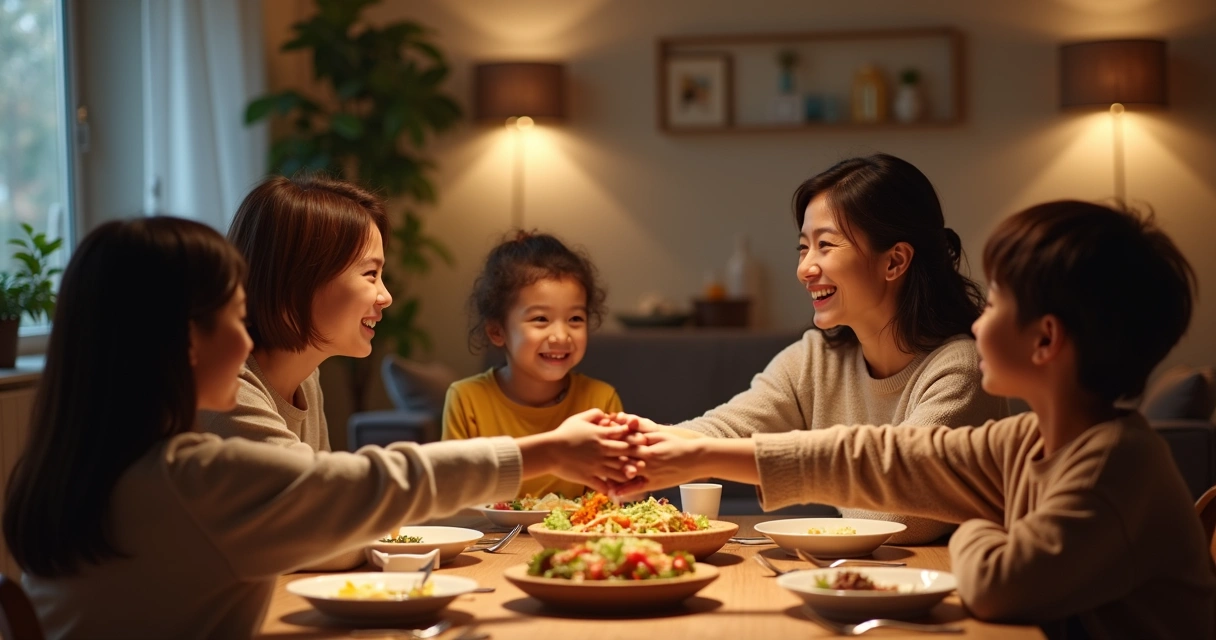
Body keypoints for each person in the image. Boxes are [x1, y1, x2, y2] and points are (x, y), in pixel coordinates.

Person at [1, 217, 637, 639]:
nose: (250, 339)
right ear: (186, 340)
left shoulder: (107, 459)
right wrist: (542, 451)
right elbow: (352, 486)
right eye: (238, 317)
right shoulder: (188, 474)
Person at [625, 201, 1215, 638]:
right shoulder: (1031, 439)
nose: (980, 320)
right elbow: (883, 455)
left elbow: (999, 585)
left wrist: (985, 524)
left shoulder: (1115, 463)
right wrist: (692, 454)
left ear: (1046, 340)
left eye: (999, 301)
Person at [651, 154, 1007, 543]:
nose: (805, 268)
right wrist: (632, 444)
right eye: (804, 248)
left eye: (825, 245)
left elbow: (897, 514)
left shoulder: (961, 369)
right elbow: (720, 430)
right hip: (850, 578)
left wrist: (771, 464)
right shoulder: (818, 357)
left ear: (895, 261)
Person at [198, 174, 392, 452]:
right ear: (297, 282)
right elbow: (322, 486)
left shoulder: (306, 379)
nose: (386, 297)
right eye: (370, 274)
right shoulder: (228, 395)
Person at [442, 231, 623, 500]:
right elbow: (453, 494)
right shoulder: (467, 400)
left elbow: (610, 499)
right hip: (490, 539)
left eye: (575, 318)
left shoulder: (600, 400)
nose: (561, 336)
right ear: (497, 330)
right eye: (540, 319)